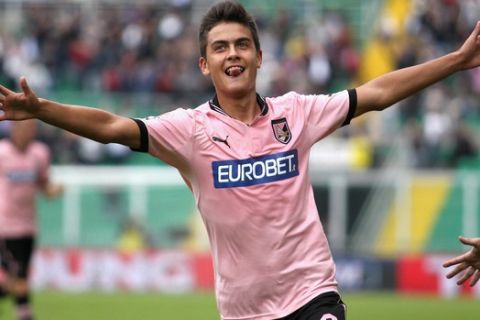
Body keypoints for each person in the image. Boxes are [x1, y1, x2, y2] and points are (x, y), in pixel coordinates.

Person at [0, 1, 479, 319]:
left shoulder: (298, 113)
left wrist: (456, 60)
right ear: (205, 64)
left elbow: (375, 93)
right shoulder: (189, 131)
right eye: (221, 47)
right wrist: (42, 109)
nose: (234, 53)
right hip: (242, 310)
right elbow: (111, 127)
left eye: (242, 44)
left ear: (259, 56)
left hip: (313, 294)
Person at [0, 120, 63, 320]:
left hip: (29, 225)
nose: (29, 132)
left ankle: (23, 312)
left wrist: (53, 191)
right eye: (24, 128)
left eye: (32, 128)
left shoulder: (40, 153)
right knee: (18, 277)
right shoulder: (2, 153)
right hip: (5, 225)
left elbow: (43, 183)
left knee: (19, 277)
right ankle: (25, 314)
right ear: (14, 130)